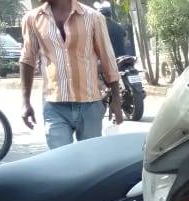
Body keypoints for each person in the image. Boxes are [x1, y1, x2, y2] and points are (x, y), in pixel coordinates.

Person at [19, 0, 123, 149]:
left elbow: (108, 59)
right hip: (54, 104)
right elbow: (27, 60)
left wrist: (116, 101)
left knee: (90, 162)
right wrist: (25, 102)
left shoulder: (93, 17)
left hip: (90, 103)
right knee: (60, 163)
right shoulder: (32, 19)